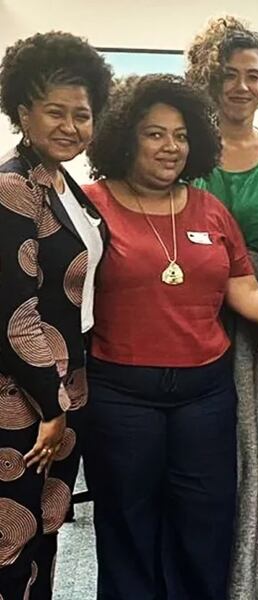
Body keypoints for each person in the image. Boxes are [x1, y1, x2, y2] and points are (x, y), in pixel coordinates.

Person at [80, 74, 258, 600]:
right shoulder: (89, 205)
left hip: (204, 395)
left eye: (181, 135)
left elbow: (248, 293)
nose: (170, 146)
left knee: (206, 521)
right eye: (154, 134)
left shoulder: (208, 209)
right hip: (121, 394)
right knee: (128, 523)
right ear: (125, 137)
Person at [0, 32, 112, 600]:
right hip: (23, 397)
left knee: (46, 527)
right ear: (23, 110)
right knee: (9, 539)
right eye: (55, 112)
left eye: (82, 114)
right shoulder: (13, 186)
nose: (71, 126)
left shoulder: (64, 183)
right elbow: (14, 314)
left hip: (67, 385)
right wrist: (51, 404)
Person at [186, 16, 258, 600]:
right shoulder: (184, 150)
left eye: (253, 75)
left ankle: (247, 583)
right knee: (200, 455)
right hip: (191, 311)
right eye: (229, 75)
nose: (241, 86)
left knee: (254, 459)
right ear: (209, 79)